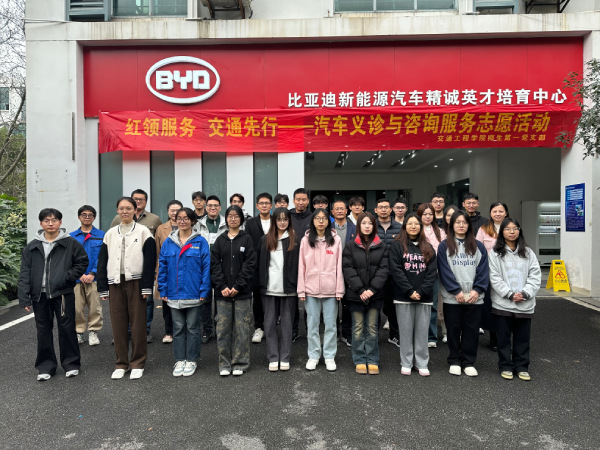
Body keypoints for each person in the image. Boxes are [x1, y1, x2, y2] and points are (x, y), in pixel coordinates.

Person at [18, 208, 88, 381]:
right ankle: (45, 367)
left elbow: (82, 261)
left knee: (67, 329)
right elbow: (25, 272)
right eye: (47, 220)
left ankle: (71, 364)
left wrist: (66, 277)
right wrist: (24, 297)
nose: (51, 223)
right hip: (40, 295)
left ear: (60, 222)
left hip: (62, 293)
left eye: (54, 220)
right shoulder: (32, 246)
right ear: (41, 223)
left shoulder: (70, 243)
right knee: (43, 331)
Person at [97, 197, 157, 380]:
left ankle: (138, 363)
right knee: (118, 325)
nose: (125, 211)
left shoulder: (144, 232)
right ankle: (121, 363)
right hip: (115, 283)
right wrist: (103, 287)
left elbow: (150, 261)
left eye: (128, 208)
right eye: (121, 208)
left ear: (134, 210)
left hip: (136, 283)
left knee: (138, 325)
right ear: (117, 210)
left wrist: (147, 287)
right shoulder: (110, 234)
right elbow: (102, 261)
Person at [158, 207, 211, 378]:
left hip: (194, 292)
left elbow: (206, 268)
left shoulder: (200, 242)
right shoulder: (169, 242)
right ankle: (180, 359)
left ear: (193, 221)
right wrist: (162, 288)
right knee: (178, 328)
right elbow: (162, 267)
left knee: (193, 328)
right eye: (179, 218)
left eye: (186, 218)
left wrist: (204, 290)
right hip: (174, 293)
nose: (182, 221)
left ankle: (192, 359)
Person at [437, 210, 489, 377]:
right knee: (453, 329)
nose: (461, 225)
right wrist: (455, 290)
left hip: (474, 297)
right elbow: (444, 270)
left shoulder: (479, 246)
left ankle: (468, 362)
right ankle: (454, 360)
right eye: (457, 222)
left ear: (469, 225)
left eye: (464, 222)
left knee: (471, 330)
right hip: (453, 297)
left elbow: (483, 270)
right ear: (451, 225)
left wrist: (477, 290)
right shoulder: (444, 246)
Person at [489, 218, 541, 381]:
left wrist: (525, 293)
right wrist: (510, 294)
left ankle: (522, 366)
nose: (512, 232)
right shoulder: (495, 253)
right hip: (503, 303)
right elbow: (494, 277)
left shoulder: (528, 253)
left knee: (522, 338)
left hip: (525, 303)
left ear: (519, 231)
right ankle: (505, 365)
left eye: (515, 228)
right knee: (503, 338)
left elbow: (535, 275)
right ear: (502, 232)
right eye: (508, 229)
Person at [110, 188, 162, 343]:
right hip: (122, 267)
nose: (138, 201)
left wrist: (154, 268)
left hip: (144, 267)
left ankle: (144, 331)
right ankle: (124, 332)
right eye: (136, 199)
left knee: (146, 301)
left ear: (146, 202)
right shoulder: (117, 219)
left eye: (141, 199)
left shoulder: (154, 219)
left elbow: (156, 244)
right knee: (122, 304)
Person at [211, 205, 257, 376]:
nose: (233, 219)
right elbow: (214, 265)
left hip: (242, 293)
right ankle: (224, 363)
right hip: (222, 294)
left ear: (241, 219)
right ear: (226, 219)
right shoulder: (220, 240)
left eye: (236, 216)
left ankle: (240, 363)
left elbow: (250, 264)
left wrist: (238, 286)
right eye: (230, 216)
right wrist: (222, 286)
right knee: (222, 329)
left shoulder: (247, 239)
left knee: (242, 329)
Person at [390, 213, 437, 377]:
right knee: (405, 332)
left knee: (422, 332)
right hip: (403, 297)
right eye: (410, 223)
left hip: (424, 298)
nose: (413, 226)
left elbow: (432, 273)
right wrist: (409, 291)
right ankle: (406, 362)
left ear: (421, 226)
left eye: (416, 223)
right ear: (404, 226)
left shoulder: (428, 247)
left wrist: (421, 291)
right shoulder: (397, 246)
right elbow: (396, 270)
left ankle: (422, 362)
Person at [297, 208, 344, 371]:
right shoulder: (305, 240)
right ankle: (314, 355)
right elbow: (301, 266)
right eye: (318, 218)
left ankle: (329, 356)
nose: (321, 221)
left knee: (331, 325)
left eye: (324, 218)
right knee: (312, 325)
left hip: (330, 290)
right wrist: (301, 290)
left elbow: (339, 266)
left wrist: (339, 290)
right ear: (313, 221)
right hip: (310, 290)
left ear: (328, 221)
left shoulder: (336, 240)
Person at [342, 212, 389, 375]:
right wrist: (361, 290)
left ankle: (372, 359)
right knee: (358, 328)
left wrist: (372, 289)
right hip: (356, 295)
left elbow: (384, 269)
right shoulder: (350, 246)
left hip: (375, 294)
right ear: (359, 226)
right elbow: (348, 269)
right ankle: (360, 359)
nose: (367, 226)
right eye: (364, 223)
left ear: (374, 226)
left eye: (370, 223)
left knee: (372, 328)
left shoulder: (381, 246)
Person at [257, 207, 299, 372]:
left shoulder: (295, 239)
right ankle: (273, 357)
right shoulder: (265, 239)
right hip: (269, 288)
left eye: (285, 219)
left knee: (287, 325)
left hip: (288, 288)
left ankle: (285, 357)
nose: (282, 222)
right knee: (269, 324)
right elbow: (259, 264)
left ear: (289, 221)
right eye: (279, 219)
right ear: (274, 221)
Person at [476, 201, 510, 351]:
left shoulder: (511, 228)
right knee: (491, 305)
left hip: (508, 273)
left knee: (507, 303)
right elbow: (477, 250)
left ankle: (506, 337)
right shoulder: (484, 229)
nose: (498, 214)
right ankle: (494, 338)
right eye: (495, 211)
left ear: (506, 213)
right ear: (490, 213)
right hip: (489, 273)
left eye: (501, 211)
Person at [70, 205, 105, 346]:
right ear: (79, 217)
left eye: (90, 215)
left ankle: (93, 332)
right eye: (84, 215)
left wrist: (93, 272)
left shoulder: (101, 235)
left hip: (94, 278)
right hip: (77, 279)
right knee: (77, 307)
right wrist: (79, 274)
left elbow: (102, 257)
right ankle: (79, 332)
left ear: (94, 217)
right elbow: (69, 258)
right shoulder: (71, 237)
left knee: (95, 307)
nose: (87, 217)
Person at [196, 195, 227, 344]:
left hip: (222, 266)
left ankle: (220, 329)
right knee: (205, 300)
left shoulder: (226, 223)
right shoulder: (198, 224)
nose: (213, 208)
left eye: (216, 205)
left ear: (220, 208)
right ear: (206, 207)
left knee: (221, 300)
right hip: (204, 267)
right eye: (210, 206)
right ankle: (207, 330)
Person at [416, 202, 446, 348]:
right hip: (417, 272)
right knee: (417, 305)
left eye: (430, 214)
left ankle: (431, 336)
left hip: (435, 273)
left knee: (432, 305)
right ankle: (417, 335)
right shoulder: (415, 229)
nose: (428, 217)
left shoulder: (440, 232)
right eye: (424, 214)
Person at [154, 200, 184, 344]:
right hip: (166, 270)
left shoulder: (187, 226)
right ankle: (169, 332)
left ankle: (182, 330)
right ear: (168, 212)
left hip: (183, 270)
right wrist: (156, 271)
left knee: (184, 301)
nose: (174, 213)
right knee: (166, 302)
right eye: (172, 210)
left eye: (177, 210)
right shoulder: (161, 228)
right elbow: (157, 251)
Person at [245, 193, 273, 344]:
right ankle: (259, 327)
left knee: (273, 298)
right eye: (261, 203)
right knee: (257, 298)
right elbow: (249, 244)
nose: (264, 205)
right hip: (256, 266)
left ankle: (271, 327)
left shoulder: (276, 221)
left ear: (271, 205)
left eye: (267, 203)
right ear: (257, 206)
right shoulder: (250, 223)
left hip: (274, 264)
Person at [374, 198, 402, 348]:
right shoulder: (371, 226)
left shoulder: (399, 227)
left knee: (393, 307)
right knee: (375, 306)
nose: (383, 210)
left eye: (386, 207)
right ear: (376, 210)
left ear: (391, 210)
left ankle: (394, 335)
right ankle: (374, 336)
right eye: (381, 207)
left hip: (393, 274)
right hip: (376, 274)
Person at [332, 200, 357, 346]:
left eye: (342, 208)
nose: (340, 211)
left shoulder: (355, 228)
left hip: (349, 270)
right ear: (332, 212)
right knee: (332, 304)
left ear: (347, 211)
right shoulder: (328, 228)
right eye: (337, 209)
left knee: (348, 303)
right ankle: (334, 333)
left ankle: (347, 333)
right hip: (332, 271)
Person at [290, 188, 312, 340]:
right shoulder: (287, 216)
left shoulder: (313, 217)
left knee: (309, 300)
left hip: (309, 263)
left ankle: (310, 329)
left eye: (304, 199)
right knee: (291, 300)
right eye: (298, 199)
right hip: (290, 262)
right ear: (293, 201)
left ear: (308, 201)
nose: (301, 202)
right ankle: (293, 329)